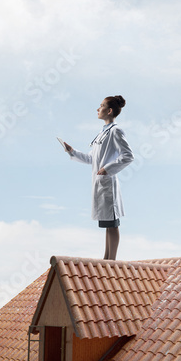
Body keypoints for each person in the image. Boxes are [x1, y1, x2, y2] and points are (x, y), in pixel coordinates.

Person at [62, 95, 134, 260]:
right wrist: (72, 151)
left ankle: (111, 260)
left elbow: (128, 156)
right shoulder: (102, 133)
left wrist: (107, 169)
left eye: (101, 106)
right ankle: (106, 258)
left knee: (113, 223)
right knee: (108, 224)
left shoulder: (115, 131)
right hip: (100, 183)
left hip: (107, 182)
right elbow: (91, 159)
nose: (97, 109)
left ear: (109, 111)